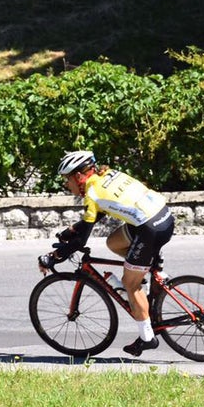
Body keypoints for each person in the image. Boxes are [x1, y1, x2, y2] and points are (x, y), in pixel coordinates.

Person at [40, 150, 174, 356]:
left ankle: (147, 337)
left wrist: (54, 257)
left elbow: (81, 240)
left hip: (150, 229)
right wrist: (71, 231)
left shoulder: (92, 194)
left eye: (67, 179)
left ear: (78, 176)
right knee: (114, 242)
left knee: (130, 284)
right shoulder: (106, 176)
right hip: (162, 216)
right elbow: (96, 216)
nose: (67, 185)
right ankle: (151, 271)